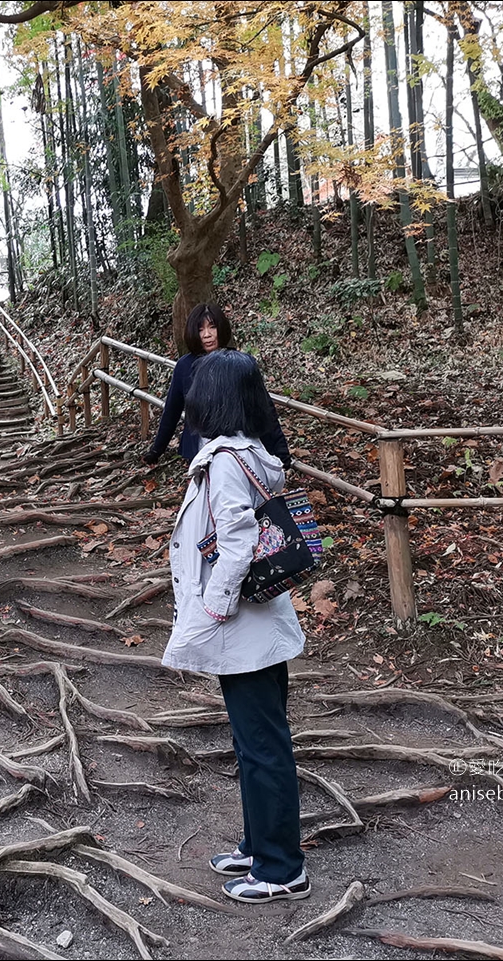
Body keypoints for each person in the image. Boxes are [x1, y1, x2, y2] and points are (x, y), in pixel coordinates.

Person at [161, 349, 309, 904]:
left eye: (200, 386)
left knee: (262, 746)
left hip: (243, 627)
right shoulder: (255, 453)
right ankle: (259, 843)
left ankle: (281, 869)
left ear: (215, 397)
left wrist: (217, 605)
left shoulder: (224, 460)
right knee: (259, 743)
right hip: (264, 622)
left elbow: (239, 541)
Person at [142, 303, 292, 469]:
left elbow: (262, 407)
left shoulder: (239, 363)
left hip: (237, 448)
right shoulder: (185, 366)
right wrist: (157, 450)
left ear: (221, 328)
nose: (207, 335)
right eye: (200, 329)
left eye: (212, 327)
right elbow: (172, 410)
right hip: (200, 450)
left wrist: (280, 453)